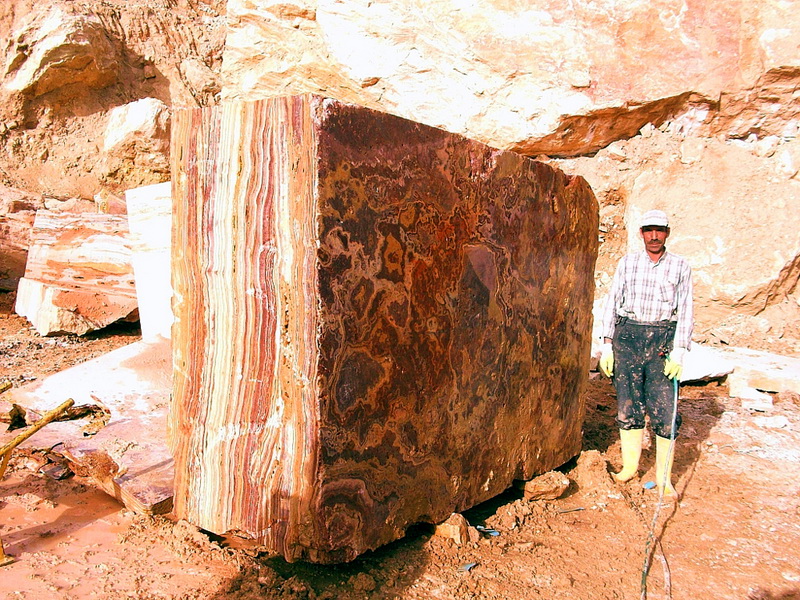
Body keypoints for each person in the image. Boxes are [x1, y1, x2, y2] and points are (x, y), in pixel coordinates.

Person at [598, 209, 693, 497]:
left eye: (659, 230)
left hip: (662, 341)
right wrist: (606, 344)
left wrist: (680, 350)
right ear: (641, 233)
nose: (654, 236)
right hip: (628, 337)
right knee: (628, 404)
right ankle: (629, 468)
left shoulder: (680, 266)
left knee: (665, 409)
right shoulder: (628, 263)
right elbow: (612, 303)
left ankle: (664, 478)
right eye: (649, 230)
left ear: (667, 233)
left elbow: (686, 309)